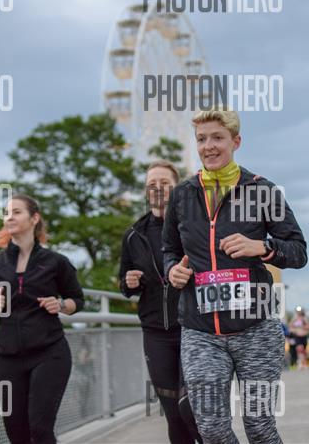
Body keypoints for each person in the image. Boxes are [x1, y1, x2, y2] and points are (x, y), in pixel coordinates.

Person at [163, 107, 308, 443]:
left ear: (236, 141)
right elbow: (169, 249)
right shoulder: (182, 195)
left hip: (255, 329)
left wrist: (263, 248)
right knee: (211, 429)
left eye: (217, 137)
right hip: (201, 331)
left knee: (260, 427)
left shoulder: (262, 191)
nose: (209, 146)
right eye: (202, 139)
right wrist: (173, 270)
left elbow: (298, 251)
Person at [0, 194, 84, 444]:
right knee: (17, 435)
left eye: (16, 212)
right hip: (8, 359)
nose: (9, 217)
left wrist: (60, 305)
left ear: (34, 218)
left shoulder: (56, 262)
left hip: (49, 353)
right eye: (6, 213)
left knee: (40, 429)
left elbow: (77, 300)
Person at [118, 160, 200, 444]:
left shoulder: (192, 226)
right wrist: (129, 282)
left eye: (164, 183)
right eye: (151, 184)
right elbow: (124, 283)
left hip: (192, 328)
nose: (158, 188)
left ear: (176, 188)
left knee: (191, 408)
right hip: (155, 332)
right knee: (173, 414)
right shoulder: (133, 234)